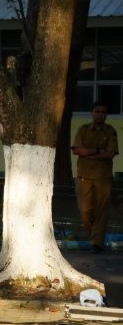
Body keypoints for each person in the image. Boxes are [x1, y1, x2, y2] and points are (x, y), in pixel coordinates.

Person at [71, 101, 119, 253]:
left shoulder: (110, 131)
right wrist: (99, 151)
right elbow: (77, 150)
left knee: (101, 210)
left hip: (103, 177)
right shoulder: (83, 130)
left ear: (106, 115)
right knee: (85, 210)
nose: (100, 114)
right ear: (92, 113)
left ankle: (96, 243)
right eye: (97, 111)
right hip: (84, 175)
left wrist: (89, 153)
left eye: (103, 112)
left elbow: (110, 154)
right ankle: (94, 236)